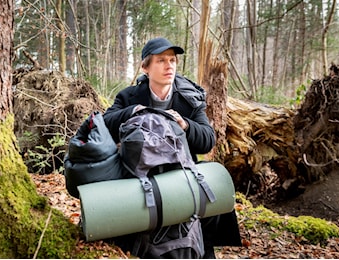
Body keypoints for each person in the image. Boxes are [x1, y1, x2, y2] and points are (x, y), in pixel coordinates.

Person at [103, 37, 241, 258]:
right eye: (161, 60)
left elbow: (207, 140)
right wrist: (134, 111)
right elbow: (105, 124)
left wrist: (185, 125)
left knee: (212, 190)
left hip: (181, 172)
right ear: (145, 67)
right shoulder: (129, 96)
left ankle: (203, 250)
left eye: (172, 60)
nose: (169, 66)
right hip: (140, 174)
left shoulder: (188, 98)